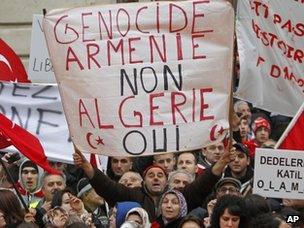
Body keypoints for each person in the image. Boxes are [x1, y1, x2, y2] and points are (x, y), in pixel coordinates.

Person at [73, 146, 235, 221]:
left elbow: (202, 185)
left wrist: (222, 162)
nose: (156, 178)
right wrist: (87, 166)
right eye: (151, 175)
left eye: (160, 175)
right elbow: (107, 187)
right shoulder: (133, 195)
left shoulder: (179, 196)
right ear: (144, 181)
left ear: (167, 181)